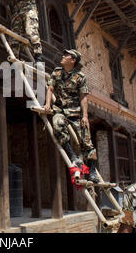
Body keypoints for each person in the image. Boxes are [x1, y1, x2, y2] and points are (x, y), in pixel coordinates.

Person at [43, 49, 99, 183]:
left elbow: (84, 97)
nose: (63, 56)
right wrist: (47, 104)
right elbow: (50, 89)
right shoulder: (56, 73)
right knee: (57, 126)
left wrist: (85, 116)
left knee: (86, 141)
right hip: (60, 110)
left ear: (73, 60)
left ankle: (92, 172)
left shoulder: (80, 77)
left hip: (76, 112)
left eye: (66, 55)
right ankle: (73, 156)